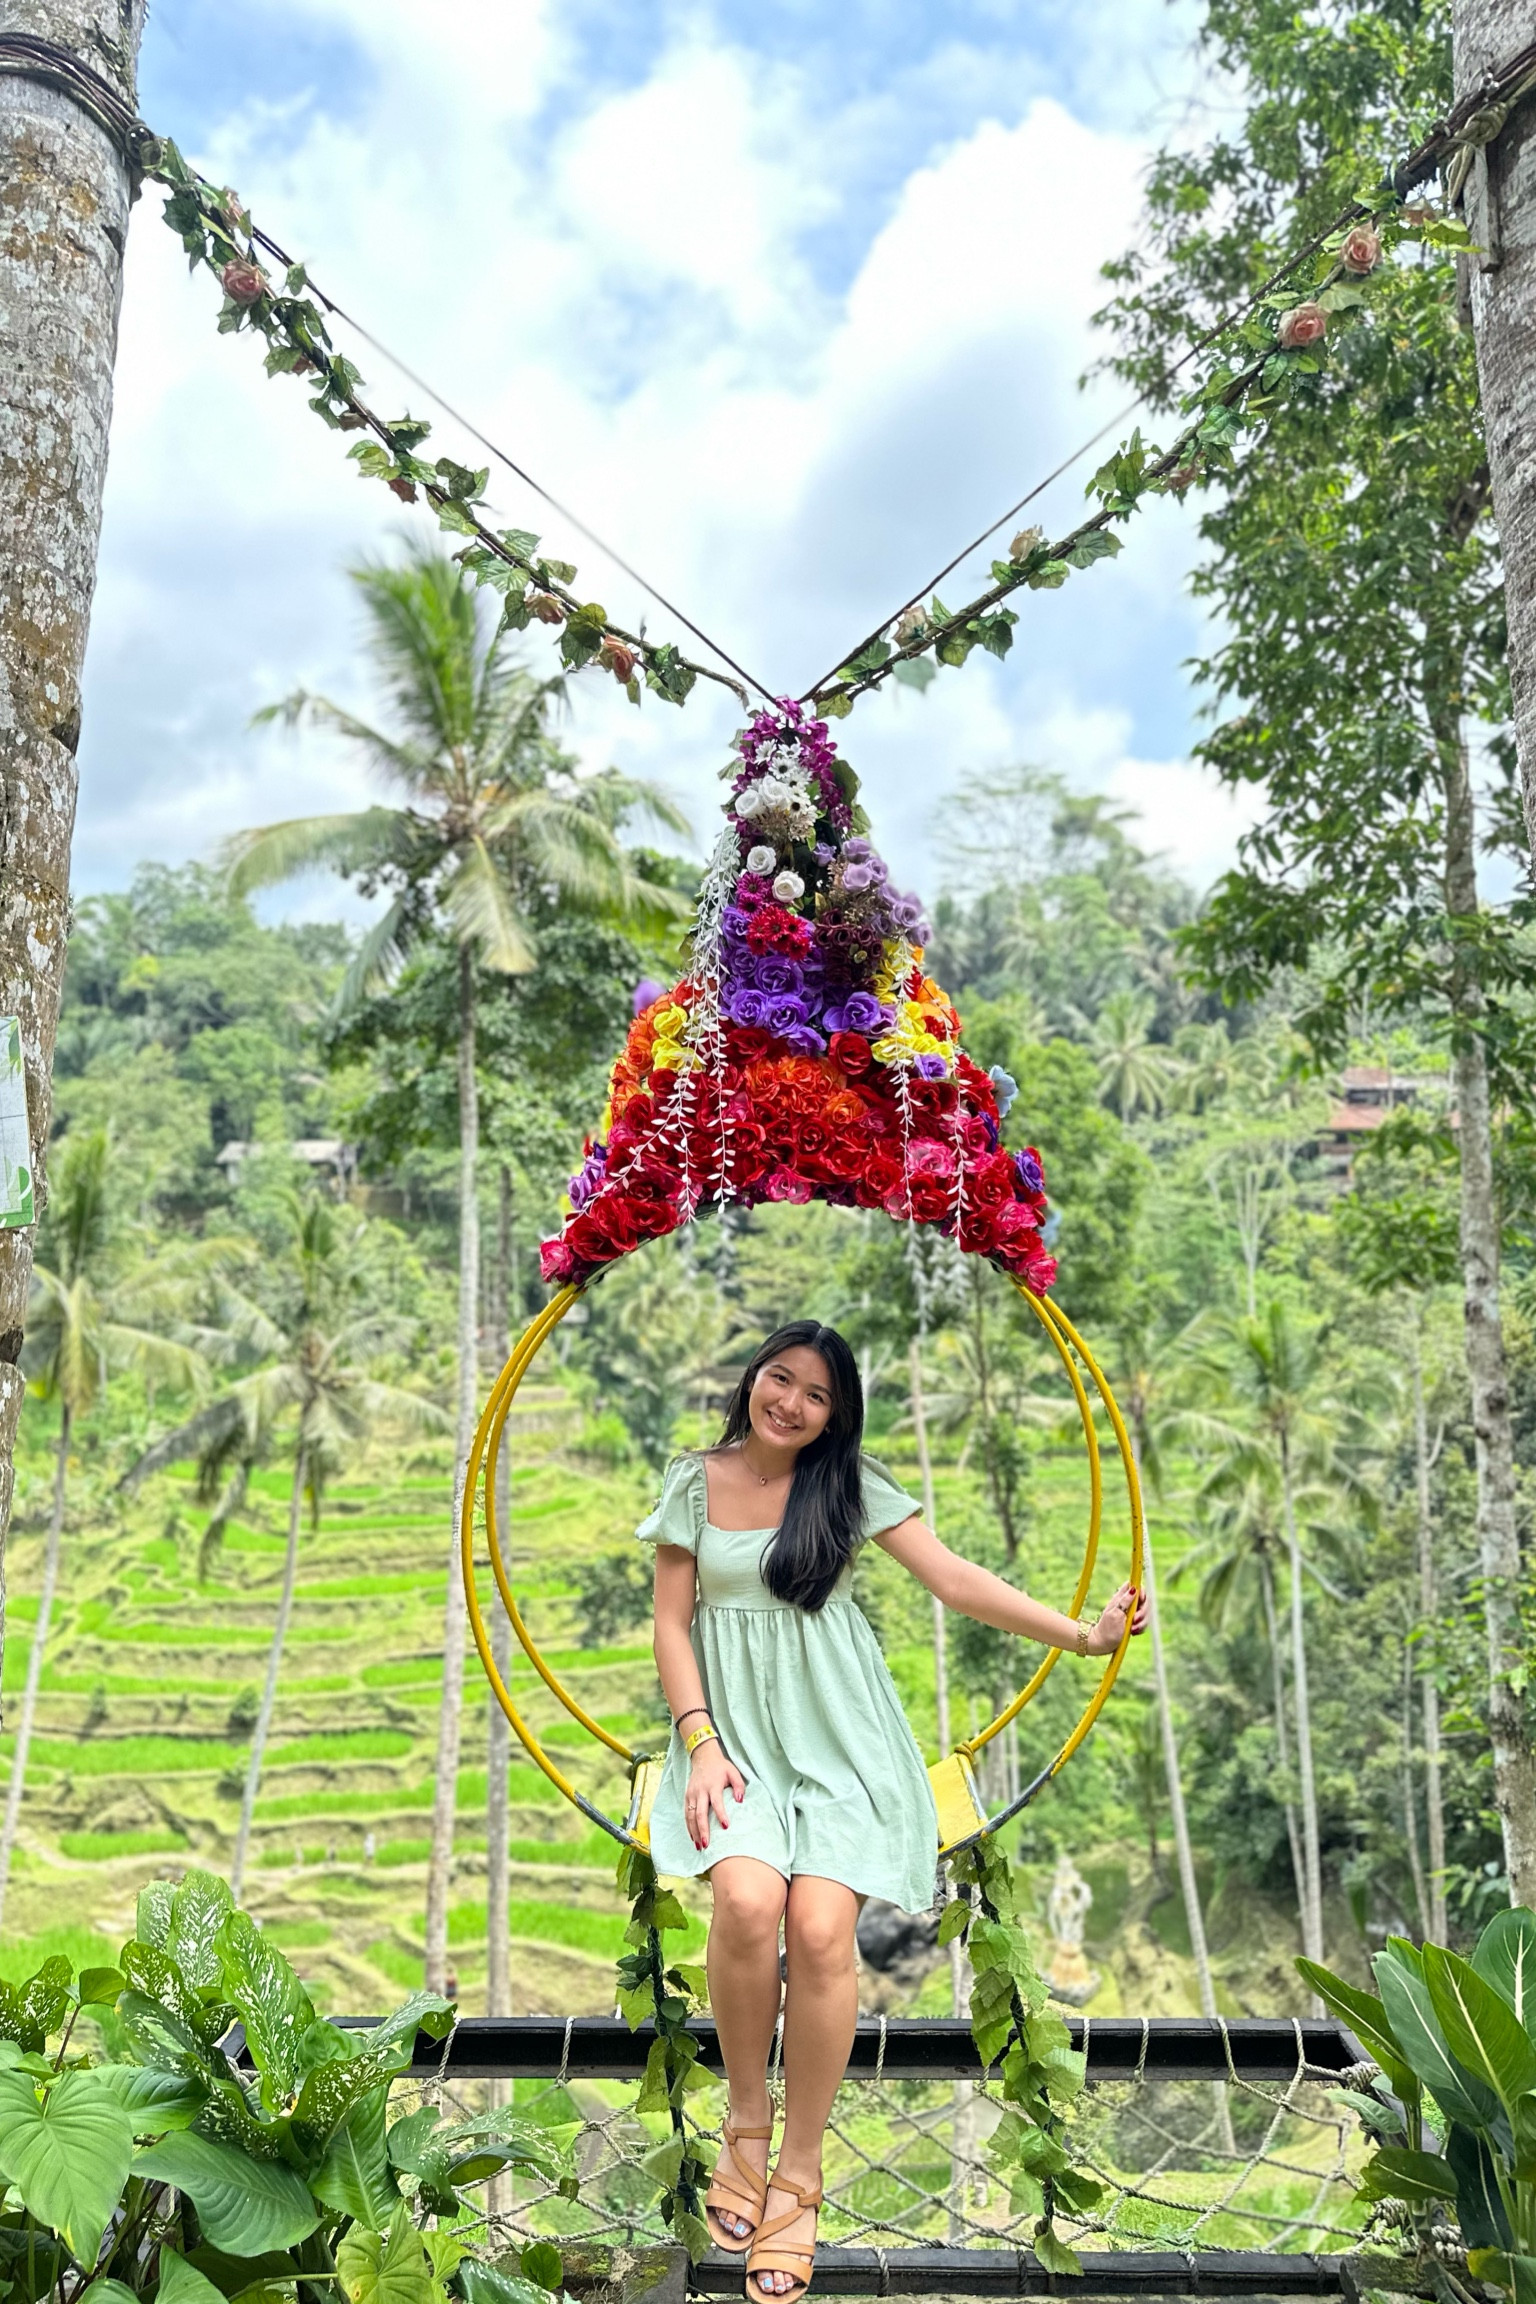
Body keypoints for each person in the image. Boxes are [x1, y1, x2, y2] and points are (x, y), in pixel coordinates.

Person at [640, 1319, 1146, 2301]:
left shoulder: (847, 1487)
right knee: (747, 1904)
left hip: (840, 1738)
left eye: (815, 1394)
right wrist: (700, 1747)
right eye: (778, 1379)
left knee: (824, 1931)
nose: (789, 1402)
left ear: (837, 1414)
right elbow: (670, 1621)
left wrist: (1083, 1639)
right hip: (731, 1740)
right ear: (754, 1379)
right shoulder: (693, 1482)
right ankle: (747, 2126)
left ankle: (801, 2169)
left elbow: (954, 1580)